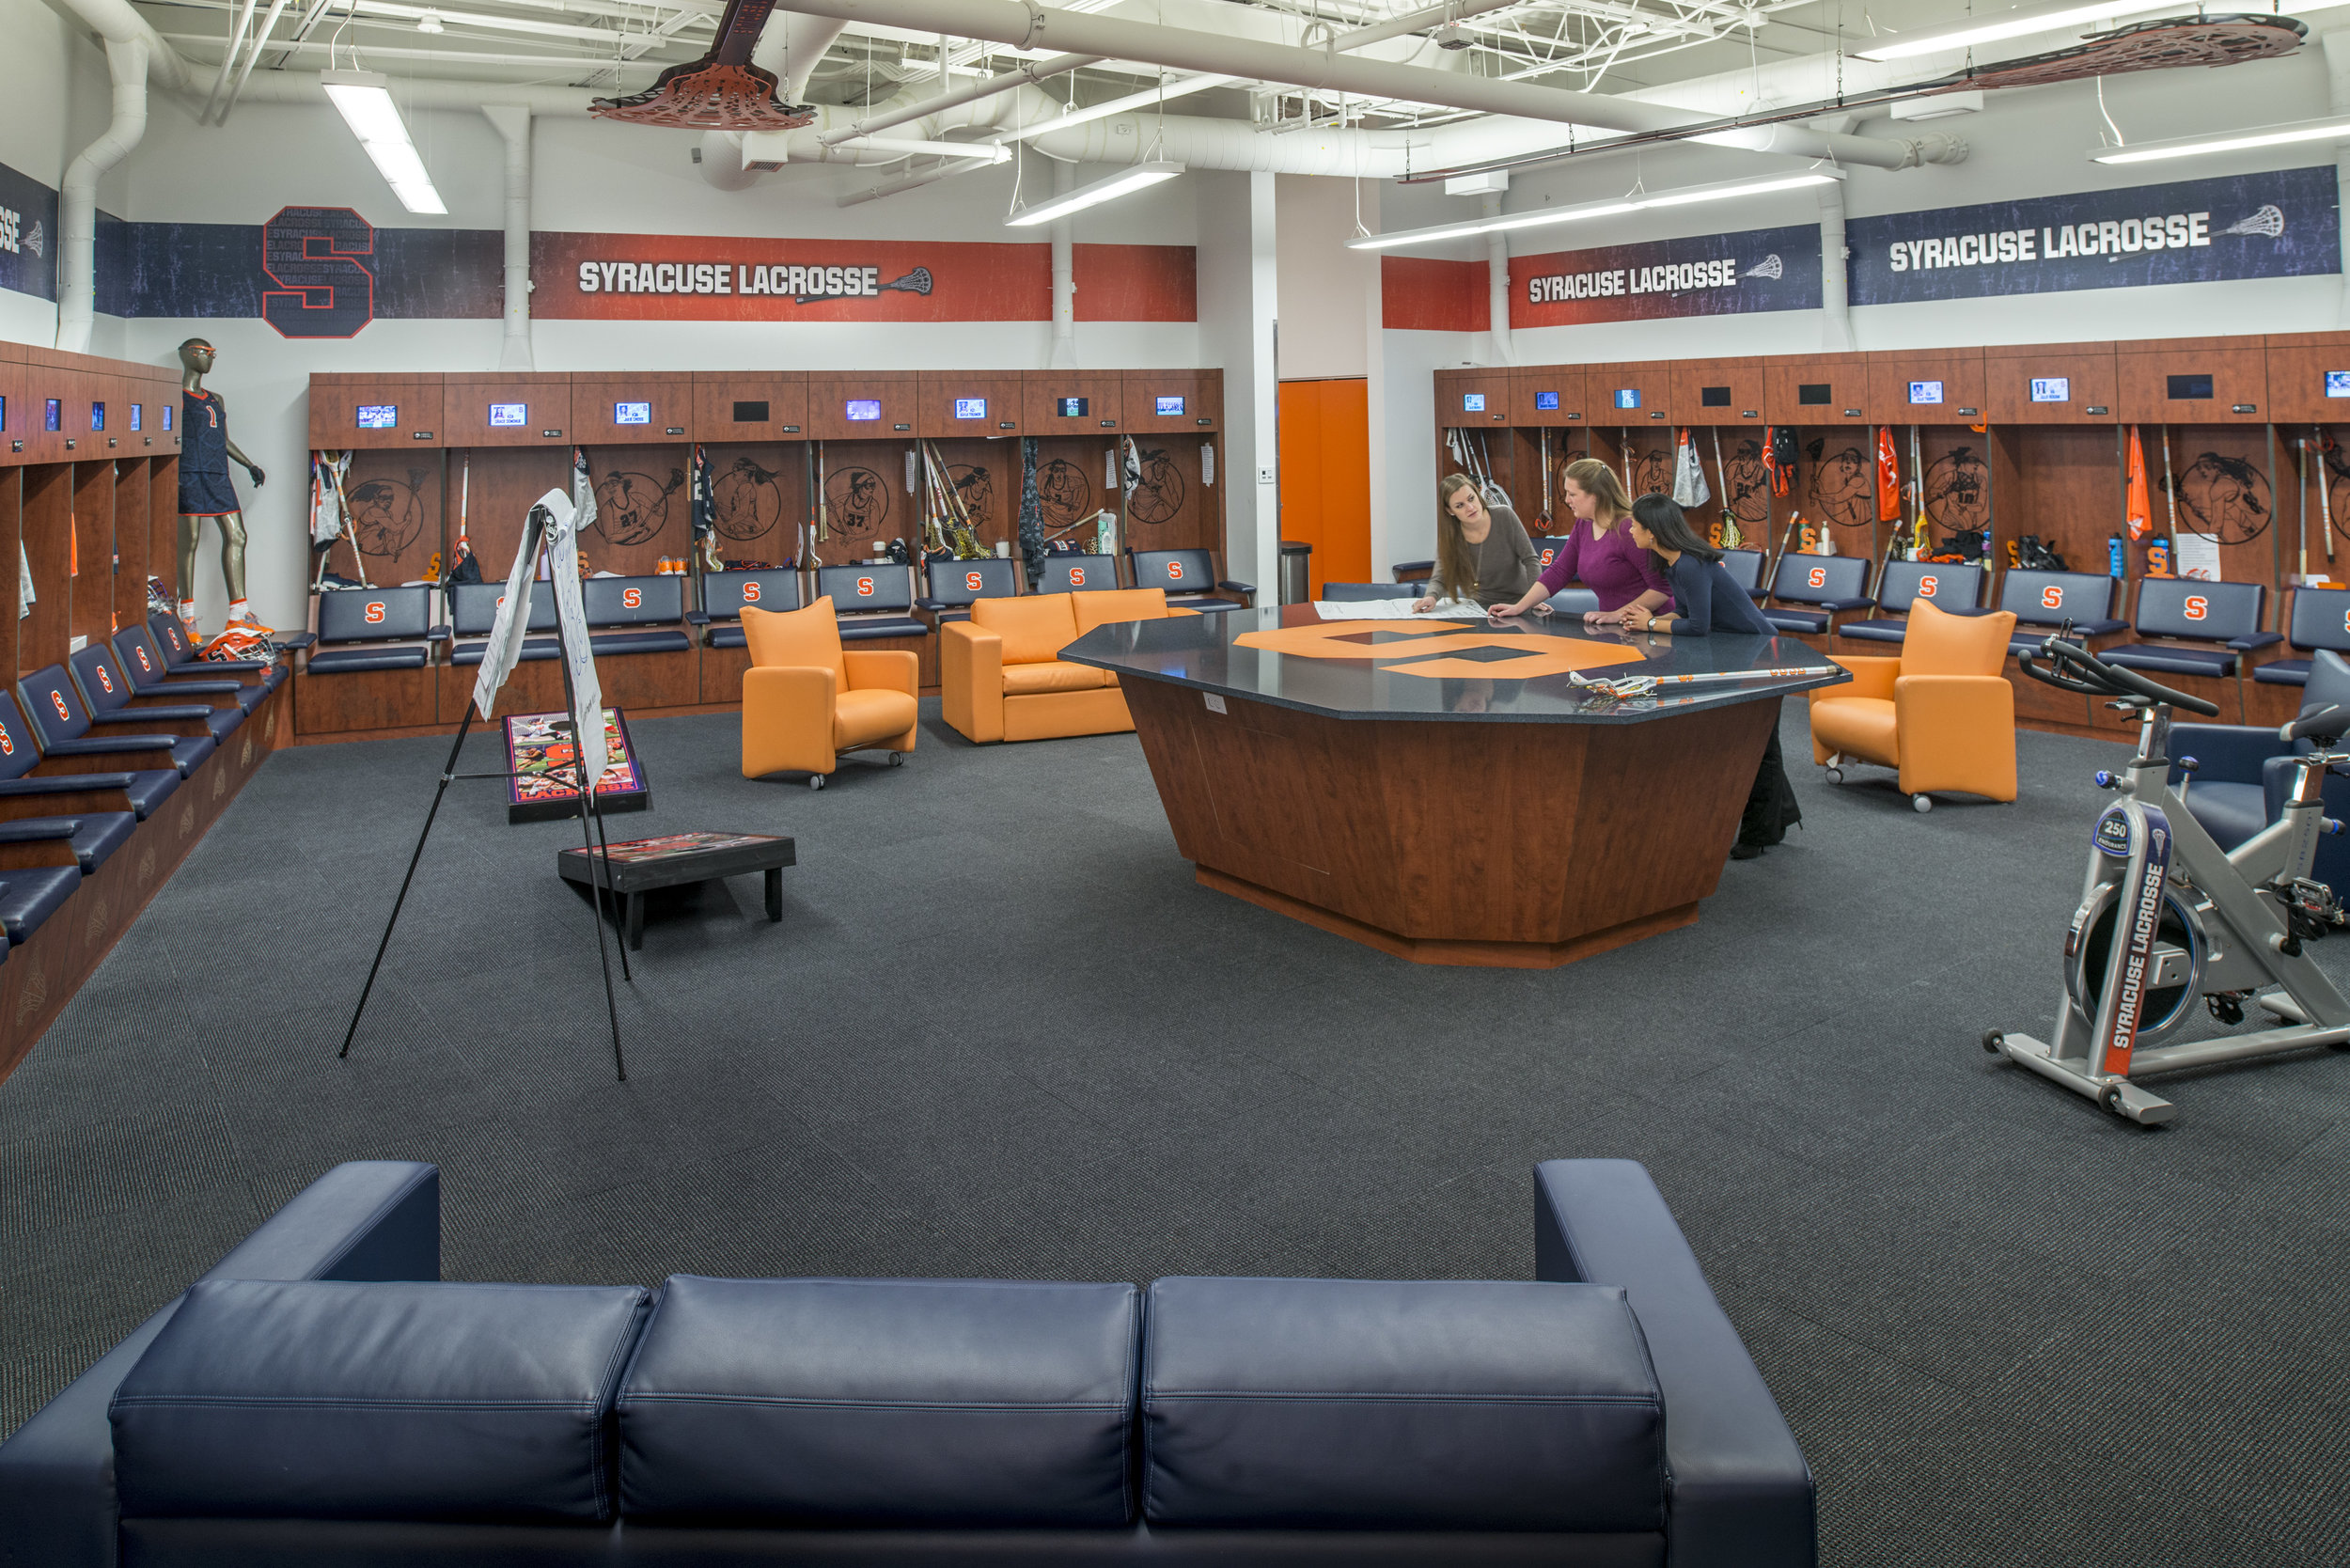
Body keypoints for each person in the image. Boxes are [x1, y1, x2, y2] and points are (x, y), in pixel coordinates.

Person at [1616, 494, 1801, 859]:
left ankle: (1762, 831)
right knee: (1758, 741)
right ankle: (1777, 818)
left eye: (1635, 525)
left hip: (1759, 655)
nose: (1630, 530)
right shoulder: (1673, 564)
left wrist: (1651, 622)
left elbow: (1698, 627)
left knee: (1759, 743)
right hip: (1738, 652)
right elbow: (1685, 615)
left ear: (1652, 532)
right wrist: (1642, 620)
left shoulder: (1690, 565)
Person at [1490, 458, 1670, 623]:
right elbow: (1559, 571)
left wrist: (1618, 614)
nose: (1567, 500)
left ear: (1596, 495)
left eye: (1572, 494)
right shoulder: (1583, 525)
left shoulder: (1628, 530)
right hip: (1614, 628)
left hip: (1650, 629)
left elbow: (1662, 589)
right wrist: (1519, 607)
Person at [178, 337, 268, 634]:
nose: (211, 359)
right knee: (189, 541)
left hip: (218, 473)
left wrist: (249, 464)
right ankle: (185, 613)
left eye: (214, 354)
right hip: (189, 472)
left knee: (238, 535)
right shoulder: (173, 396)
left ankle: (239, 612)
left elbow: (223, 440)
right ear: (188, 355)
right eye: (206, 353)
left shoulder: (216, 398)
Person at [1416, 474, 1537, 612]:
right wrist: (1430, 597)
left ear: (1477, 494)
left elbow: (1531, 560)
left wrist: (1533, 600)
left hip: (1518, 604)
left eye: (1471, 499)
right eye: (1460, 505)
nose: (1470, 507)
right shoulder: (1451, 536)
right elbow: (1440, 577)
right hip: (1477, 608)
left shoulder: (1504, 515)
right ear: (1450, 511)